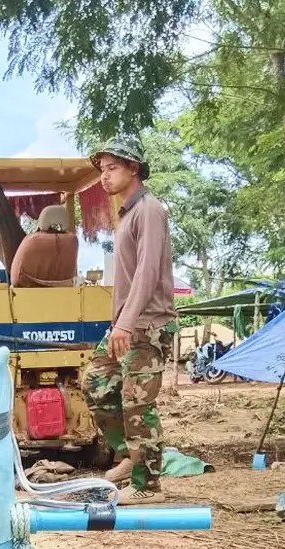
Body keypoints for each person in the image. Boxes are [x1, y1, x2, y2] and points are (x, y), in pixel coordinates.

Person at [81, 136, 178, 505]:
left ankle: (148, 484)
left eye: (113, 168)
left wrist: (126, 323)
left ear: (133, 168)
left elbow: (148, 273)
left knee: (138, 404)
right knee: (97, 382)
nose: (104, 177)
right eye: (102, 170)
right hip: (125, 324)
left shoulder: (150, 210)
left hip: (148, 324)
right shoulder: (126, 213)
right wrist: (117, 324)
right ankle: (128, 455)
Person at [10, 205, 79, 287]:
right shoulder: (72, 241)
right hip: (67, 292)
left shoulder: (32, 240)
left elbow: (16, 279)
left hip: (27, 293)